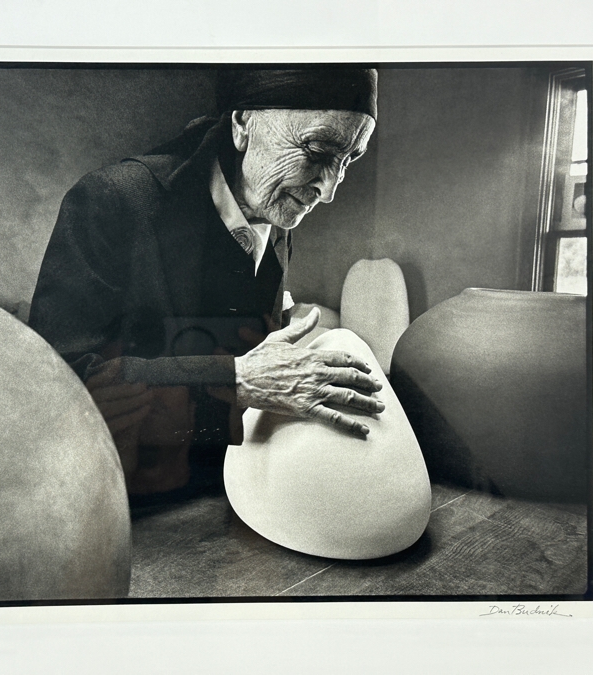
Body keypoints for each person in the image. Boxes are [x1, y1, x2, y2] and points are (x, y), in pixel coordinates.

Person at [28, 68, 384, 503]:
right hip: (115, 503)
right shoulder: (112, 200)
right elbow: (56, 387)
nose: (328, 190)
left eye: (349, 160)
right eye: (317, 149)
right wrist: (237, 380)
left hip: (228, 497)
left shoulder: (278, 212)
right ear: (241, 125)